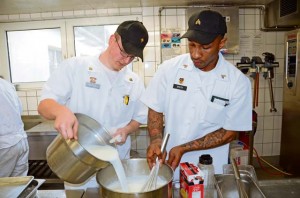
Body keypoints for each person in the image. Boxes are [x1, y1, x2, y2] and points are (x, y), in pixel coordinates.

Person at [140, 10, 252, 181]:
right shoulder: (169, 69)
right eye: (192, 45)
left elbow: (230, 132)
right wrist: (156, 140)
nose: (195, 54)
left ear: (222, 43)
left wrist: (184, 148)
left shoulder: (237, 82)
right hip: (169, 166)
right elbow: (155, 108)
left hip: (208, 170)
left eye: (205, 47)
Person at [38, 20, 148, 160]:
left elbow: (139, 117)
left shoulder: (134, 82)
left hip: (116, 158)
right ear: (112, 39)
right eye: (123, 52)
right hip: (79, 158)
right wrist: (60, 111)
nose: (126, 61)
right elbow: (44, 105)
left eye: (132, 57)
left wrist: (127, 130)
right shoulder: (75, 67)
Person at [0, 77, 29, 177]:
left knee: (4, 187)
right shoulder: (6, 84)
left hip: (4, 146)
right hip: (21, 141)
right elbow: (19, 110)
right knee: (18, 185)